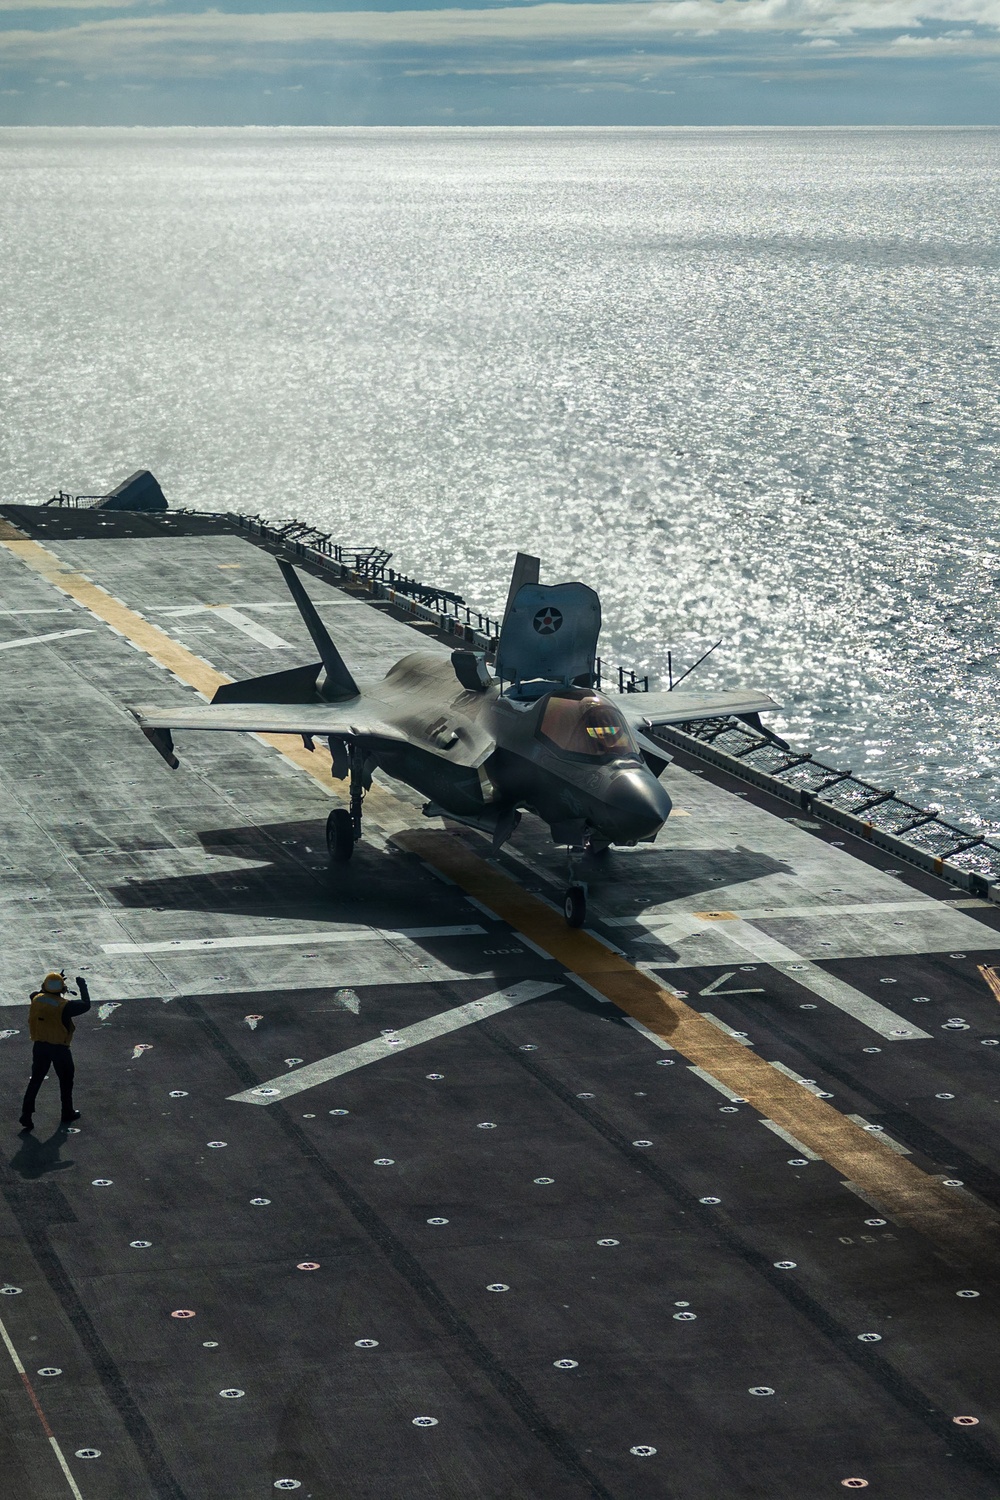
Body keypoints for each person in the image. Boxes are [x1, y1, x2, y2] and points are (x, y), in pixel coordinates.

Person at [19, 972, 91, 1131]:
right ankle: (67, 1112)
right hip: (59, 1048)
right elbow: (86, 1004)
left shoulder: (35, 999)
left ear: (44, 986)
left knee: (36, 1080)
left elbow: (40, 992)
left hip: (40, 1047)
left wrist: (53, 980)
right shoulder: (64, 1006)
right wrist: (82, 986)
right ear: (63, 989)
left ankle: (26, 1114)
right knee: (66, 1081)